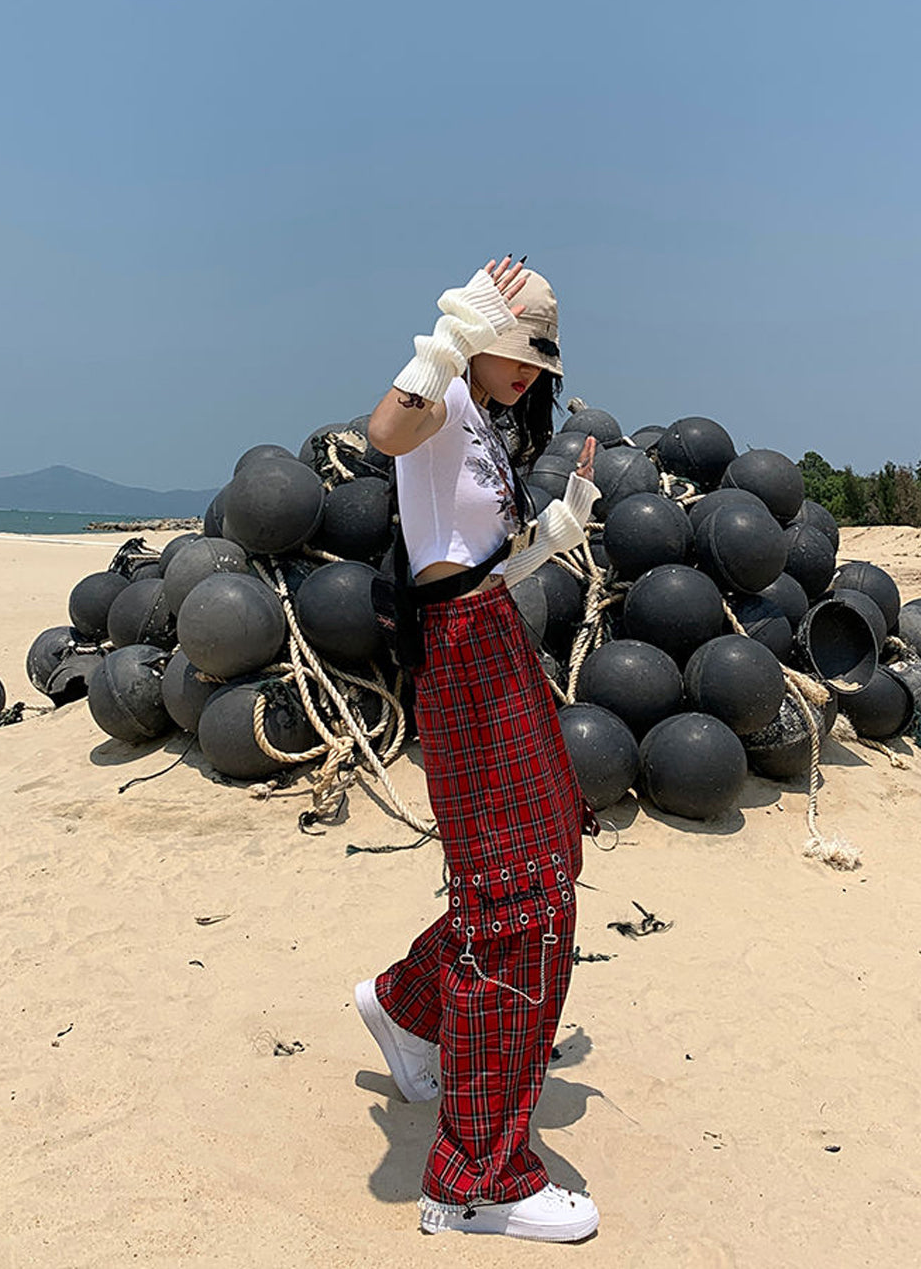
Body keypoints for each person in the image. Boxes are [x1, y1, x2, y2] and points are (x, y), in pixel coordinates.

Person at [356, 255, 602, 1243]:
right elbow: (385, 432)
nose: (532, 373)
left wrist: (553, 531)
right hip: (465, 655)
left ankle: (410, 1007)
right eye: (521, 352)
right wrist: (451, 337)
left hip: (484, 629)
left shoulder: (480, 422)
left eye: (539, 360)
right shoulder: (445, 393)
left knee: (544, 863)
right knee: (520, 898)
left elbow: (461, 557)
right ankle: (476, 1180)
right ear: (480, 335)